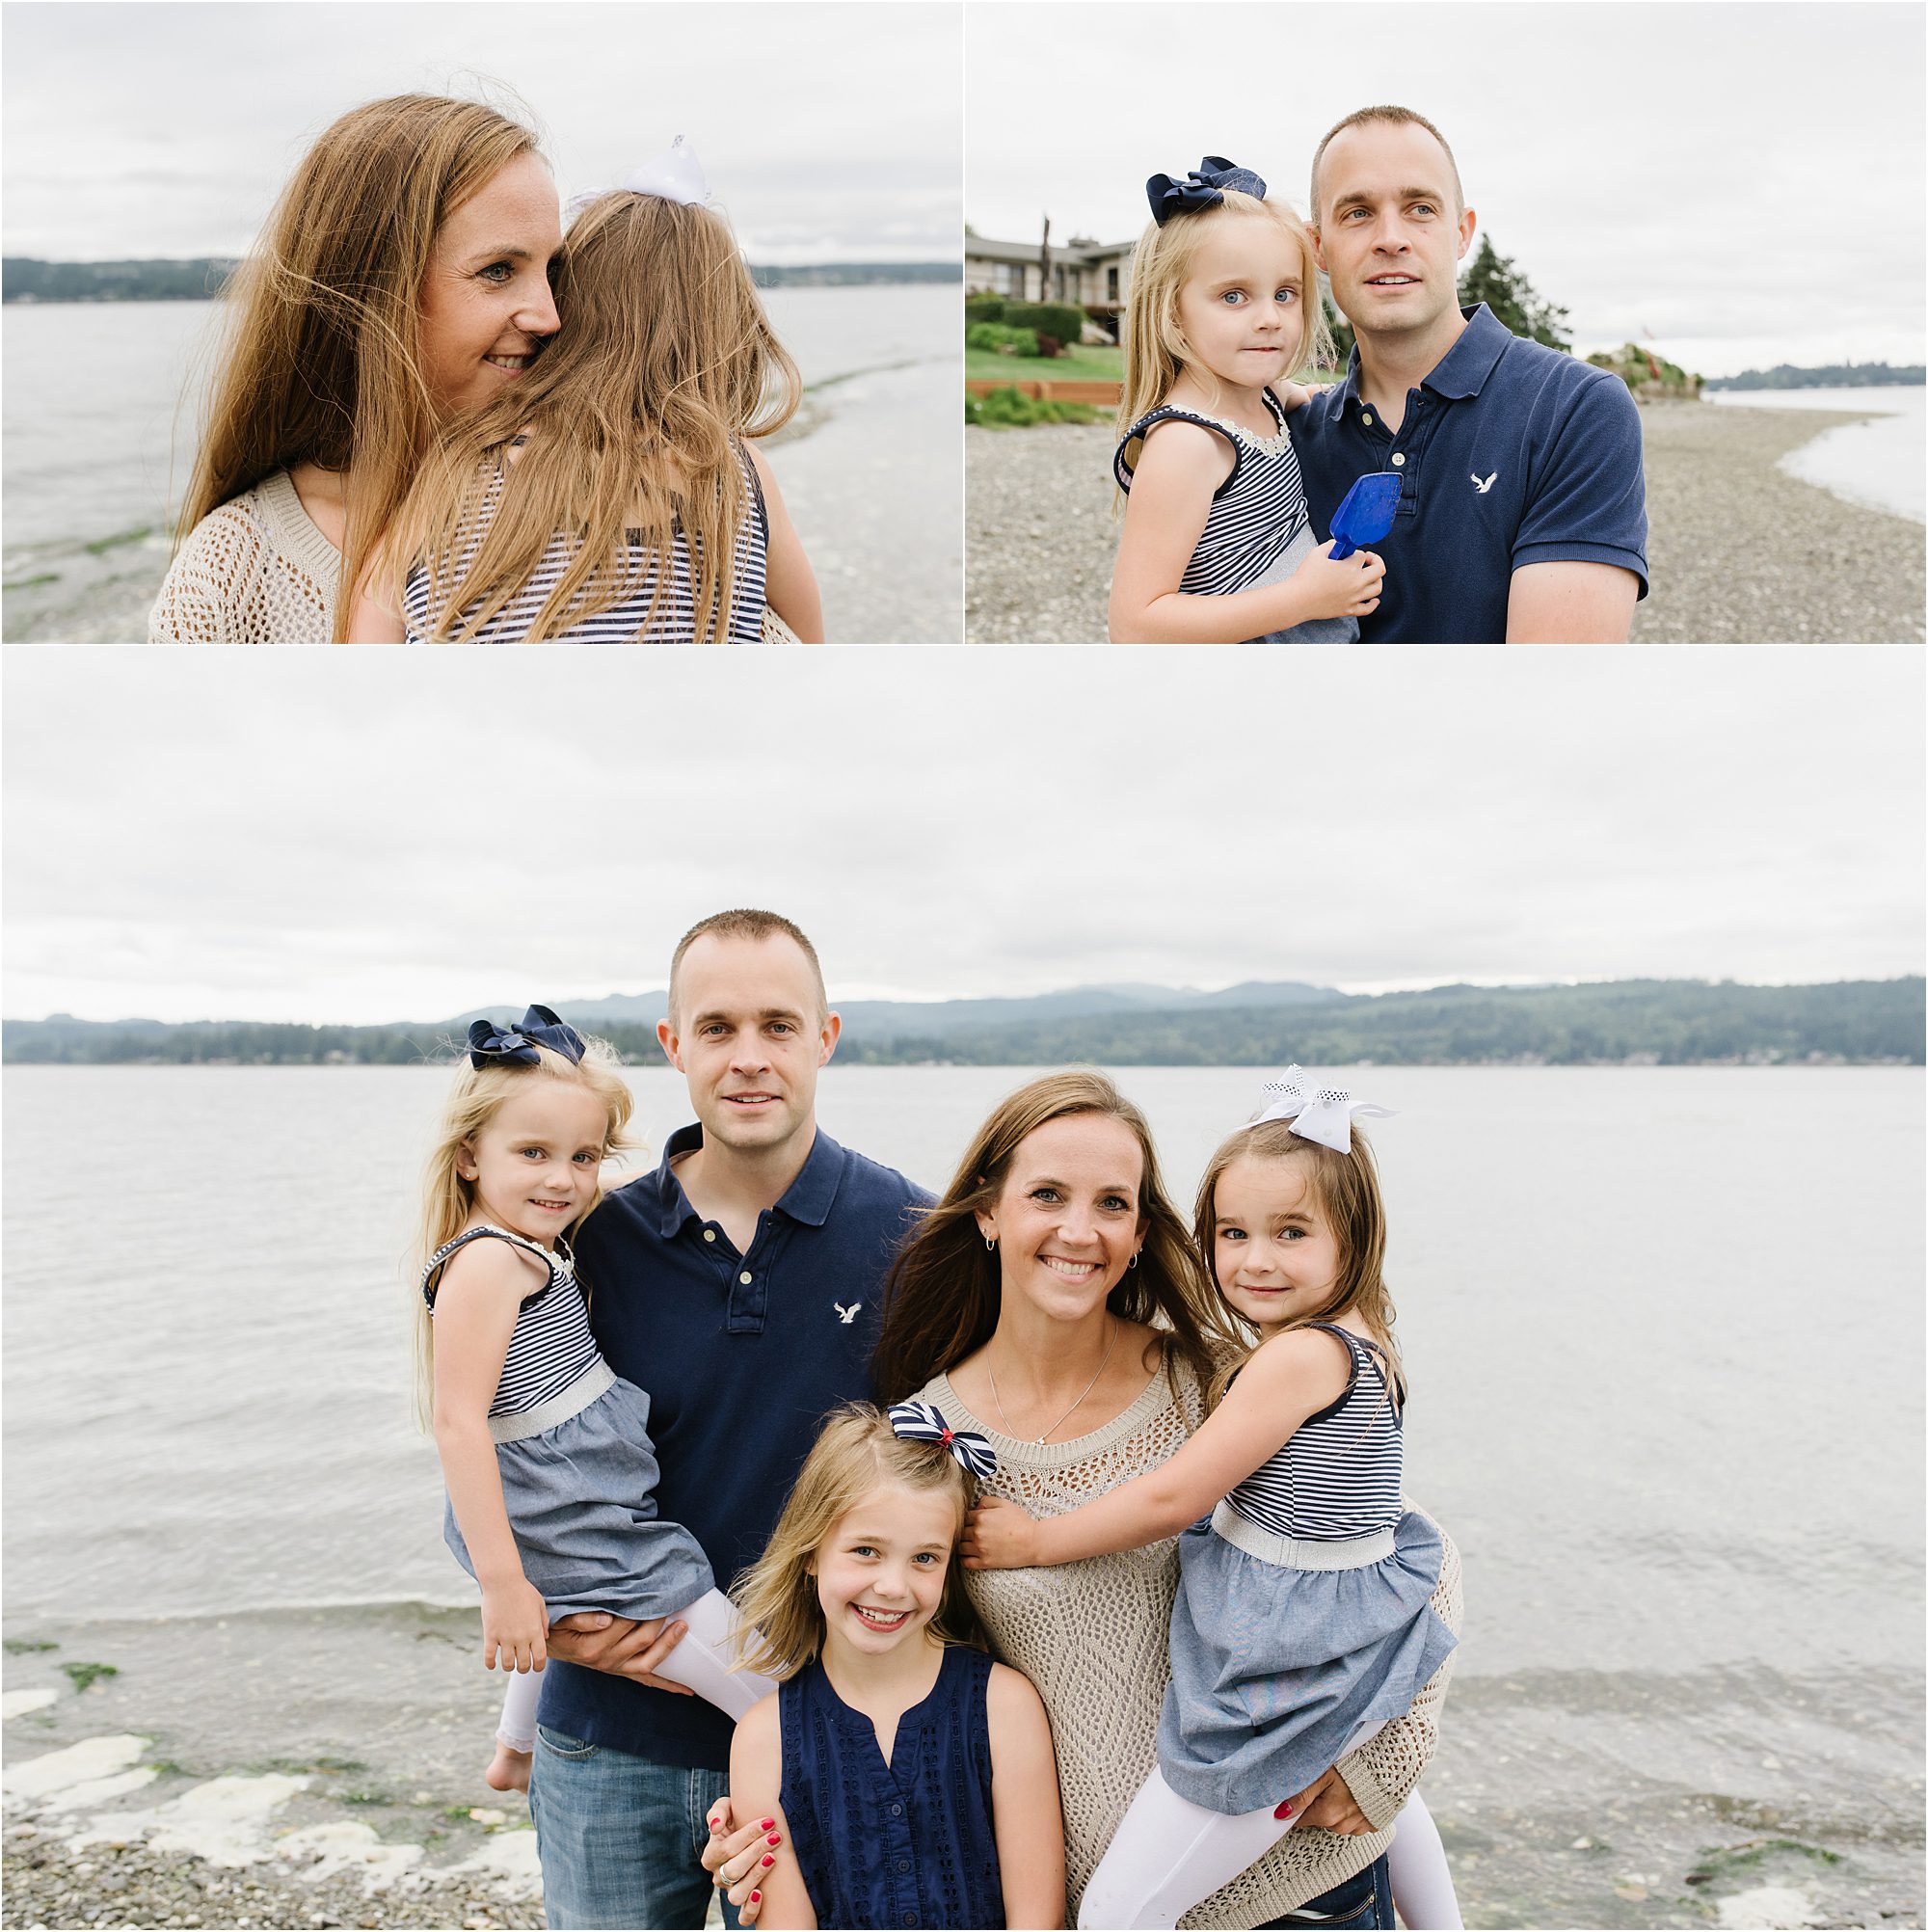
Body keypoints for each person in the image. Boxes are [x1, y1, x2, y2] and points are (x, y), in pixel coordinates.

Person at [963, 1072, 1461, 1930]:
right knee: (1379, 1797)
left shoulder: (1278, 1363)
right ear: (987, 1212)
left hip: (1280, 1712)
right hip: (1321, 1666)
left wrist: (1037, 1541)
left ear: (1355, 1238)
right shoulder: (1360, 1342)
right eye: (1233, 1233)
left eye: (1291, 1233)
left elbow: (1174, 1495)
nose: (1256, 1259)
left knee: (1115, 1920)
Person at [525, 911, 927, 1930]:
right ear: (673, 1045)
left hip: (825, 1734)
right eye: (716, 1029)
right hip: (611, 1744)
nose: (748, 1059)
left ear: (825, 1037)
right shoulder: (587, 1241)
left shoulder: (917, 1239)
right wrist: (544, 1625)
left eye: (778, 1027)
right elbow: (501, 1450)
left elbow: (983, 1469)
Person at [415, 1004, 776, 1798]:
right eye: (533, 1153)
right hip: (567, 1517)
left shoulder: (522, 1237)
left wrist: (605, 1180)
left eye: (583, 1156)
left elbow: (578, 1187)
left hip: (563, 1509)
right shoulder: (489, 1264)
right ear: (470, 1156)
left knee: (567, 1590)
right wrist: (505, 1587)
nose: (563, 1179)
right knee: (772, 1692)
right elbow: (457, 1423)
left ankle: (514, 1749)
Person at [356, 139, 821, 645]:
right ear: (725, 330)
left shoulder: (457, 462)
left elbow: (368, 643)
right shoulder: (738, 473)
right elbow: (807, 645)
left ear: (566, 306)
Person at [150, 94, 560, 643]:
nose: (550, 316)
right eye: (498, 270)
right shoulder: (228, 581)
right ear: (369, 291)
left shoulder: (601, 503)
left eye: (554, 270)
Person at [1287, 104, 1648, 643]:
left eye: (1420, 208)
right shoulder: (1286, 436)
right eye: (1357, 212)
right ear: (1318, 246)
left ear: (1461, 233)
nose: (1391, 238)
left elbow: (1557, 693)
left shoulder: (1575, 409)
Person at [725, 1401, 1065, 1929]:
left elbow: (1036, 1920)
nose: (893, 1586)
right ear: (811, 1552)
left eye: (925, 1558)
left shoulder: (1004, 1706)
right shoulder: (763, 1738)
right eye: (865, 1550)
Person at [1109, 156, 1385, 644]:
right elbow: (1136, 625)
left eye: (1284, 294)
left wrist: (1325, 395)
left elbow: (1295, 393)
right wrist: (1305, 598)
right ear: (1172, 310)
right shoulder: (1189, 443)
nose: (1270, 319)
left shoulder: (1261, 395)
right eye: (1234, 296)